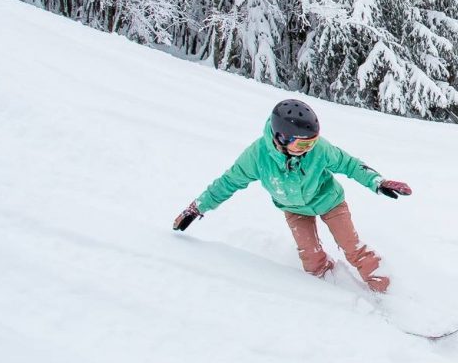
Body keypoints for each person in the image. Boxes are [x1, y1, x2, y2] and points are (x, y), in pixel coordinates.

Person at [173, 99, 412, 292]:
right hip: (295, 210)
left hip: (329, 201)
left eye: (312, 143)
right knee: (311, 259)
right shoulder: (257, 157)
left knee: (352, 247)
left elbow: (349, 165)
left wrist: (377, 182)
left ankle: (388, 292)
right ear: (280, 138)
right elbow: (227, 183)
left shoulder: (319, 149)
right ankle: (329, 290)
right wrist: (197, 207)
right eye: (301, 146)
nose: (307, 150)